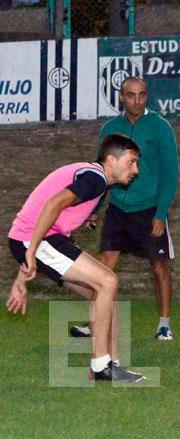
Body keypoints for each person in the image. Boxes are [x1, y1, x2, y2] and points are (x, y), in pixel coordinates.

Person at [6, 134, 146, 382]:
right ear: (112, 160)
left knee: (105, 292)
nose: (135, 170)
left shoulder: (98, 183)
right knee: (108, 281)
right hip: (38, 239)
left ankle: (110, 365)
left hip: (40, 239)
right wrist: (31, 250)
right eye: (131, 162)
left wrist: (21, 277)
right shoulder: (94, 178)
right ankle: (101, 366)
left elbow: (42, 217)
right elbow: (52, 205)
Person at [72, 77, 180, 341]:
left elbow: (171, 174)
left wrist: (161, 213)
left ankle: (164, 324)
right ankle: (94, 322)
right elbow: (102, 172)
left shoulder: (161, 127)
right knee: (102, 268)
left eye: (142, 95)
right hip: (118, 208)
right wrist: (93, 208)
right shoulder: (110, 129)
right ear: (121, 97)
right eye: (131, 95)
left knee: (159, 267)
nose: (137, 101)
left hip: (149, 208)